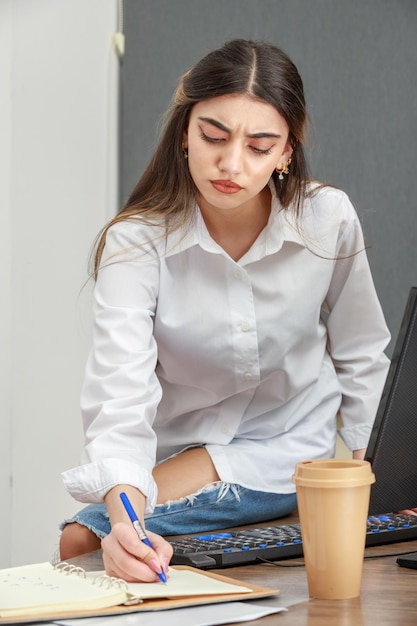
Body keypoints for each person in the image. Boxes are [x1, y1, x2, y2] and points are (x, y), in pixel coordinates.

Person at [59, 39, 391, 583]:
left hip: (294, 451)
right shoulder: (136, 243)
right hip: (182, 449)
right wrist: (123, 519)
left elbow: (362, 354)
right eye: (214, 136)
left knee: (81, 535)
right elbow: (119, 396)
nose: (231, 164)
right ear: (185, 133)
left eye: (260, 146)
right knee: (87, 538)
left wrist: (372, 481)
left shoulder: (327, 218)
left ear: (288, 151)